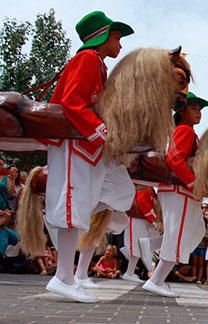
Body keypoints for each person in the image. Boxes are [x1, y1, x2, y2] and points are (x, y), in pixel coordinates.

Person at [39, 11, 135, 303]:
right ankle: (63, 277)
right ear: (103, 37)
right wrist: (104, 133)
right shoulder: (89, 59)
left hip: (83, 144)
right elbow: (72, 102)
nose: (120, 43)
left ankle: (67, 276)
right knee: (72, 206)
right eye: (117, 36)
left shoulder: (97, 64)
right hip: (75, 143)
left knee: (80, 205)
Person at [146, 91, 208, 297]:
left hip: (179, 191)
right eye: (194, 108)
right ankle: (156, 280)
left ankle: (148, 248)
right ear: (182, 111)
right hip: (180, 190)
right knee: (180, 235)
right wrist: (194, 184)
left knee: (193, 231)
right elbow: (175, 159)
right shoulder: (185, 131)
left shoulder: (186, 131)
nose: (199, 113)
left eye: (199, 109)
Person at [120, 186, 159, 283]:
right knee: (136, 246)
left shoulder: (150, 189)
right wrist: (154, 218)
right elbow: (142, 202)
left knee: (140, 247)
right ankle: (129, 273)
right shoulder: (145, 186)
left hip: (143, 219)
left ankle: (130, 272)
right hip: (137, 218)